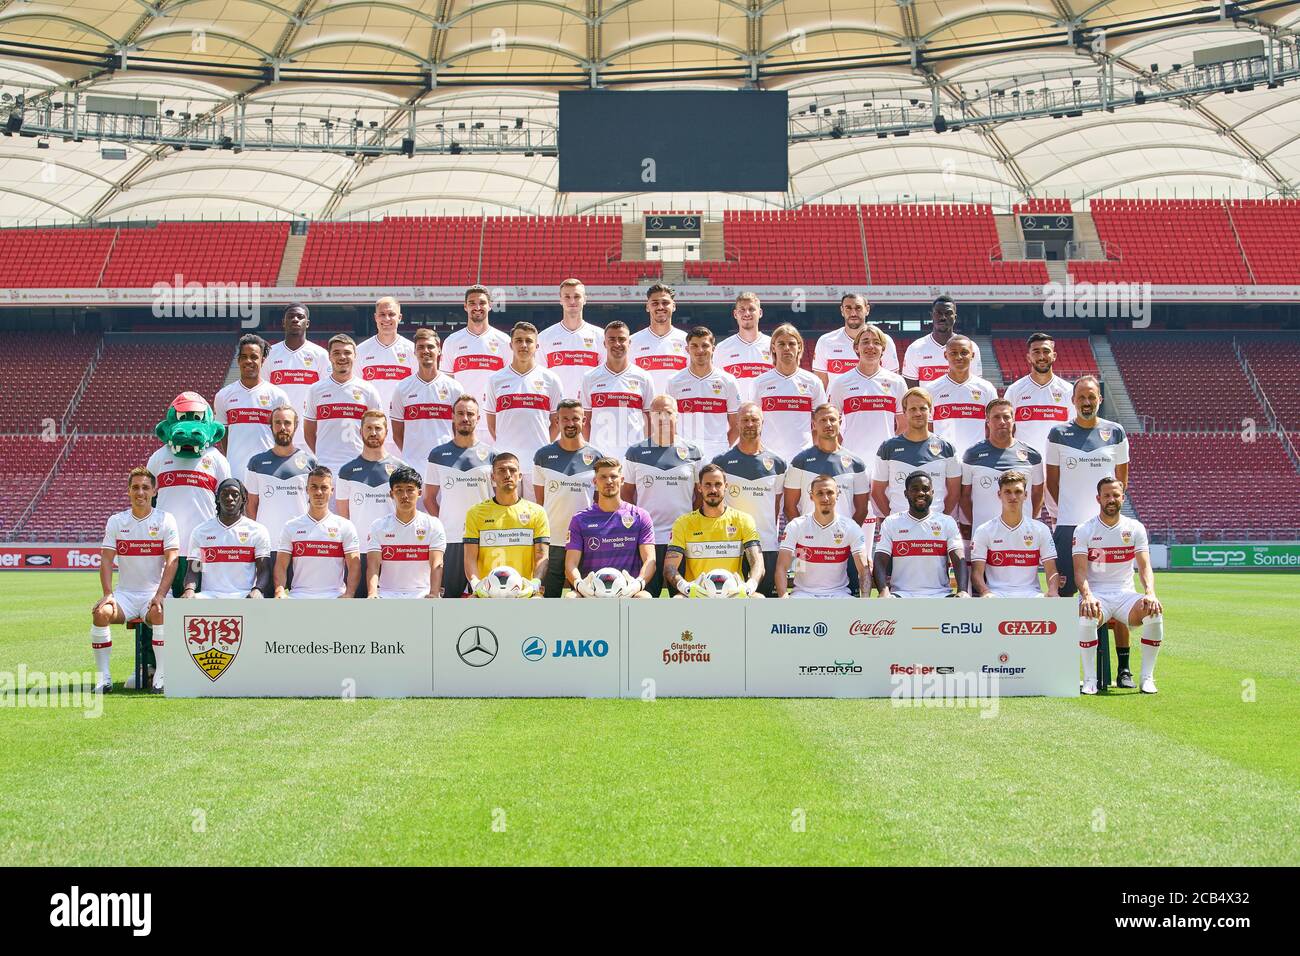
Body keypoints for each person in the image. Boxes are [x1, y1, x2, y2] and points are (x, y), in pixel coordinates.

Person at [1047, 375, 1133, 685]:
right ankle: (1061, 663)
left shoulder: (1116, 432)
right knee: (1068, 594)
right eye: (1081, 396)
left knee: (1117, 593)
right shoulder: (1058, 433)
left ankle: (1123, 669)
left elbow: (1119, 481)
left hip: (1106, 530)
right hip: (1070, 528)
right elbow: (1052, 483)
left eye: (1092, 396)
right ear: (1073, 400)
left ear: (1100, 399)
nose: (1086, 401)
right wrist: (1068, 516)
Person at [90, 467, 180, 692]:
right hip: (126, 595)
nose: (141, 492)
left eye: (145, 488)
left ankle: (162, 674)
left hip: (154, 593)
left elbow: (173, 561)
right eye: (136, 488)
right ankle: (104, 678)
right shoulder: (116, 521)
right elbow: (106, 560)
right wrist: (108, 594)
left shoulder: (166, 519)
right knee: (100, 614)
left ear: (154, 491)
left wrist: (159, 595)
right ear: (128, 491)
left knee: (159, 612)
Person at [1074, 478, 1164, 695]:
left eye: (1115, 495)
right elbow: (1079, 571)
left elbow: (1144, 567)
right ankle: (1089, 679)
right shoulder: (1084, 529)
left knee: (1154, 612)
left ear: (1123, 497)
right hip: (1096, 595)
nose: (1111, 500)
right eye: (1106, 496)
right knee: (1087, 616)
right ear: (1098, 499)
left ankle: (1147, 678)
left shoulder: (1135, 528)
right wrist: (1087, 596)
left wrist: (1150, 593)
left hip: (1125, 595)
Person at [147, 392, 231, 597]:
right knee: (159, 603)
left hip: (202, 546)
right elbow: (149, 499)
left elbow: (227, 502)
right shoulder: (159, 457)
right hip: (167, 547)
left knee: (200, 603)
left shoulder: (216, 459)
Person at [621, 395, 703, 598]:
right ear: (649, 416)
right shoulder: (635, 452)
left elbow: (699, 496)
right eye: (657, 413)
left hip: (682, 539)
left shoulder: (693, 452)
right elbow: (627, 494)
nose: (663, 418)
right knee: (646, 597)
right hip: (648, 539)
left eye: (668, 412)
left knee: (684, 597)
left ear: (677, 415)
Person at [423, 396, 495, 599]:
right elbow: (429, 498)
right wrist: (445, 523)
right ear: (452, 417)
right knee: (449, 599)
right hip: (451, 539)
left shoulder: (491, 455)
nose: (465, 418)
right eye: (461, 413)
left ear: (478, 418)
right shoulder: (438, 454)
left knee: (484, 597)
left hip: (484, 539)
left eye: (470, 414)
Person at [712, 402, 786, 597]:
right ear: (737, 423)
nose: (750, 424)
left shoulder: (777, 463)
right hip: (730, 547)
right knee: (726, 601)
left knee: (763, 604)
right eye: (745, 420)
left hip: (766, 545)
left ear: (763, 423)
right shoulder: (721, 462)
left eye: (754, 420)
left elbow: (776, 506)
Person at [534, 399, 604, 598]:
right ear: (557, 420)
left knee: (586, 596)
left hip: (586, 540)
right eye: (565, 419)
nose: (570, 423)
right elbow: (541, 501)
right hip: (553, 540)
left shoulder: (596, 456)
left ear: (584, 420)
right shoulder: (543, 455)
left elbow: (598, 502)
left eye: (575, 418)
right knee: (549, 597)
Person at [486, 321, 563, 501]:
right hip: (505, 463)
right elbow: (491, 423)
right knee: (505, 515)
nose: (523, 345)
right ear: (510, 344)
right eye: (518, 340)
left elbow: (557, 422)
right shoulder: (495, 379)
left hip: (537, 463)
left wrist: (542, 445)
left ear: (536, 346)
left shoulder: (550, 379)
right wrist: (506, 444)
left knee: (535, 515)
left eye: (528, 341)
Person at [245, 405, 316, 594]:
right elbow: (251, 505)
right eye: (278, 423)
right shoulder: (256, 462)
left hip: (300, 544)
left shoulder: (310, 462)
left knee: (300, 598)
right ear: (271, 426)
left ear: (295, 426)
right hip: (267, 546)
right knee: (266, 602)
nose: (282, 427)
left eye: (287, 423)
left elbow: (315, 504)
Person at [336, 411, 409, 595]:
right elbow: (343, 518)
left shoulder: (401, 469)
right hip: (358, 554)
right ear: (361, 431)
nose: (373, 432)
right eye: (369, 428)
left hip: (394, 552)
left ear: (386, 431)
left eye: (378, 428)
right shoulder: (347, 471)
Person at [663, 464, 764, 598]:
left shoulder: (743, 520)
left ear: (726, 486)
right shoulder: (683, 522)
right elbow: (670, 567)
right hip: (698, 593)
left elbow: (758, 564)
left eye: (718, 484)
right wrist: (686, 587)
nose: (713, 489)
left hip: (734, 593)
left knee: (759, 599)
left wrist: (748, 587)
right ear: (699, 487)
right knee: (677, 600)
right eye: (707, 485)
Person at [564, 458, 656, 598]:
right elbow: (571, 563)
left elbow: (650, 560)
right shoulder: (580, 519)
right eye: (603, 477)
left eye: (613, 476)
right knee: (570, 598)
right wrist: (580, 585)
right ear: (595, 481)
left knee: (644, 598)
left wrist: (637, 584)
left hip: (627, 590)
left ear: (622, 479)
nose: (609, 481)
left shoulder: (640, 516)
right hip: (592, 591)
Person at [463, 453, 551, 597]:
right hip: (488, 591)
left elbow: (541, 556)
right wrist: (476, 584)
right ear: (492, 477)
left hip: (523, 592)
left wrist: (535, 584)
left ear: (520, 475)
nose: (508, 475)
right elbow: (470, 558)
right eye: (501, 470)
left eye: (512, 470)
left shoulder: (537, 512)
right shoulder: (475, 512)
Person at [873, 472, 968, 599]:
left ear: (932, 492)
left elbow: (958, 560)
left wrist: (962, 591)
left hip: (940, 595)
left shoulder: (946, 522)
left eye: (925, 489)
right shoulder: (891, 522)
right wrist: (884, 591)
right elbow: (879, 560)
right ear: (906, 494)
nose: (921, 493)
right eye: (915, 489)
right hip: (901, 595)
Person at [775, 476, 870, 599]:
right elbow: (781, 567)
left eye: (830, 493)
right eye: (820, 493)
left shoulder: (850, 527)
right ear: (811, 496)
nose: (825, 498)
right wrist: (783, 599)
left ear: (837, 494)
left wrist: (866, 601)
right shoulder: (797, 525)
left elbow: (864, 569)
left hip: (839, 594)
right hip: (803, 594)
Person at [871, 388, 961, 518]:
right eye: (913, 409)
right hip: (899, 526)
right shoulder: (888, 448)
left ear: (930, 411)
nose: (918, 413)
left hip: (935, 526)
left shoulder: (947, 448)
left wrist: (941, 519)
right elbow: (877, 492)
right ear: (904, 413)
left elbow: (954, 492)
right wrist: (892, 519)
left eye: (923, 408)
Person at [961, 399, 1044, 540]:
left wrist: (1028, 518)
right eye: (996, 417)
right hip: (985, 538)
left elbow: (1038, 493)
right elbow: (964, 497)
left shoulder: (1032, 455)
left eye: (1006, 417)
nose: (1002, 421)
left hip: (1022, 536)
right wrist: (979, 523)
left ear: (1014, 420)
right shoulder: (972, 455)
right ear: (987, 421)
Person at [274, 466, 361, 599]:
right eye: (314, 487)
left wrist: (349, 593)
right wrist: (279, 591)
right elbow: (281, 565)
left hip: (335, 596)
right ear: (307, 490)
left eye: (324, 487)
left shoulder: (345, 526)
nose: (319, 492)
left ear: (332, 491)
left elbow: (354, 565)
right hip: (299, 596)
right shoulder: (291, 526)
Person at [303, 334, 383, 477]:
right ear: (329, 356)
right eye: (336, 353)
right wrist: (322, 454)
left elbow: (379, 429)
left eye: (347, 353)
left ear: (355, 356)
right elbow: (309, 431)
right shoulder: (315, 390)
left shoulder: (368, 390)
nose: (342, 357)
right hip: (325, 468)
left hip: (360, 466)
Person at [214, 333, 290, 483]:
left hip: (269, 473)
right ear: (238, 360)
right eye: (244, 357)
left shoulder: (278, 396)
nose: (249, 361)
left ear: (262, 360)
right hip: (236, 472)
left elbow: (284, 435)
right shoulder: (223, 396)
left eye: (254, 357)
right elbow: (224, 435)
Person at [827, 322, 906, 466]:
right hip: (851, 461)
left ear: (883, 349)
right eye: (865, 342)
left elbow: (904, 424)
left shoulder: (897, 382)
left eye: (876, 342)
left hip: (886, 460)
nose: (871, 346)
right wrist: (843, 449)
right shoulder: (841, 382)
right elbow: (830, 424)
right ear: (856, 348)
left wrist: (892, 448)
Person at [970, 471, 1059, 598]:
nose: (1013, 497)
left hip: (1032, 595)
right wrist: (985, 592)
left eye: (1018, 492)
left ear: (1025, 495)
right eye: (1007, 492)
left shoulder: (1040, 529)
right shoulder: (984, 530)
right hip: (996, 595)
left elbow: (1051, 571)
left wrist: (1053, 591)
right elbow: (976, 574)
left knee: (1066, 610)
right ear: (999, 494)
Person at [389, 328, 464, 474]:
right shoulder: (402, 387)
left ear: (439, 350)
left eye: (430, 346)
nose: (426, 351)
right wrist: (412, 454)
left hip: (445, 466)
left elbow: (459, 429)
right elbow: (397, 433)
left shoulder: (454, 388)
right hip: (412, 467)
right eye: (421, 347)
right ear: (415, 352)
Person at [440, 285, 511, 440]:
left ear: (490, 306)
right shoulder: (452, 341)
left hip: (496, 422)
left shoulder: (504, 341)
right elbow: (446, 386)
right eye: (472, 303)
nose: (477, 307)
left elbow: (510, 383)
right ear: (465, 307)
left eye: (482, 303)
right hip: (463, 423)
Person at [182, 478, 272, 599]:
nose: (229, 498)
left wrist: (257, 589)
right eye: (224, 494)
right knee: (186, 602)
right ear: (218, 498)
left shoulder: (257, 530)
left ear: (243, 499)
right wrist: (189, 589)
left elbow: (264, 570)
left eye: (235, 495)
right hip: (209, 596)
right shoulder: (201, 531)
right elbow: (193, 570)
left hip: (244, 596)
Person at [365, 465, 446, 599]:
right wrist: (372, 593)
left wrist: (434, 593)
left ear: (419, 493)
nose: (404, 496)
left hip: (422, 593)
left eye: (410, 490)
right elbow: (373, 565)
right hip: (386, 593)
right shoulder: (378, 526)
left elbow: (437, 563)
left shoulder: (433, 524)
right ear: (391, 494)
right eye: (399, 490)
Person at [751, 323, 827, 464]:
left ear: (799, 347)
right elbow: (754, 423)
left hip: (803, 458)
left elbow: (821, 422)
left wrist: (813, 452)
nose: (787, 348)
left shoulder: (813, 381)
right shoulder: (760, 382)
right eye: (781, 344)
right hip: (768, 458)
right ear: (773, 347)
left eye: (791, 344)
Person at [580, 320, 655, 457]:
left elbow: (650, 419)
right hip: (600, 458)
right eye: (612, 339)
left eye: (622, 339)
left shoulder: (644, 377)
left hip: (634, 457)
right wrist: (589, 452)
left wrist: (647, 452)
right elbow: (586, 421)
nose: (617, 344)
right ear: (604, 343)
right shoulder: (590, 377)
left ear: (629, 343)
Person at [667, 326, 741, 462]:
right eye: (694, 346)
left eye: (705, 345)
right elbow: (669, 423)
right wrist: (680, 448)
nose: (700, 350)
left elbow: (736, 425)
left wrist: (722, 449)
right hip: (684, 454)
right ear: (687, 349)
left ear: (713, 348)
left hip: (717, 454)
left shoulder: (728, 380)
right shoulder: (674, 381)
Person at [921, 334, 996, 462]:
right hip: (942, 460)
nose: (959, 357)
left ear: (972, 355)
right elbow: (927, 429)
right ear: (946, 355)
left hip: (977, 461)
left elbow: (993, 428)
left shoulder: (986, 389)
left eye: (964, 352)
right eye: (954, 353)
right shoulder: (931, 389)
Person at [356, 296, 415, 457]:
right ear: (375, 317)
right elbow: (356, 393)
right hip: (371, 433)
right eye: (382, 314)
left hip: (404, 432)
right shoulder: (361, 351)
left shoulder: (412, 350)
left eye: (391, 314)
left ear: (400, 317)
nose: (387, 319)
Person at [1001, 331, 1073, 463]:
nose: (1041, 356)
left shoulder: (1068, 390)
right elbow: (1006, 430)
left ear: (1054, 355)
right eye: (1036, 352)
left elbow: (1074, 430)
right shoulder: (1015, 390)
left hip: (1059, 464)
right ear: (1029, 357)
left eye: (1046, 351)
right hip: (1024, 463)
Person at [265, 303, 329, 445]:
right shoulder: (270, 353)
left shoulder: (320, 355)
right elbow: (263, 393)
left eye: (300, 317)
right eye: (291, 316)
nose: (295, 319)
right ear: (283, 322)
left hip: (311, 435)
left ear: (307, 323)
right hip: (277, 435)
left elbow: (328, 393)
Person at [813, 292, 899, 388]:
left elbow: (893, 382)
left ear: (867, 309)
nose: (853, 313)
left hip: (873, 401)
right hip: (836, 403)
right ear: (842, 310)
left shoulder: (884, 341)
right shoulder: (825, 341)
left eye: (858, 308)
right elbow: (821, 385)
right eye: (848, 308)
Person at [539, 278, 606, 398]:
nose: (572, 301)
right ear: (560, 300)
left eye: (577, 296)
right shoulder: (544, 337)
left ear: (585, 299)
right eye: (567, 297)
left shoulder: (600, 336)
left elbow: (605, 376)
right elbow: (540, 378)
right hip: (557, 409)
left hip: (590, 408)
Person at [901, 295, 983, 388]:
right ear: (932, 316)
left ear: (955, 317)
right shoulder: (915, 348)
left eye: (948, 313)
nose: (943, 317)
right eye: (938, 313)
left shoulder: (970, 347)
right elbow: (912, 391)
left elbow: (976, 384)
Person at [715, 291, 773, 403]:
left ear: (760, 313)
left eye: (751, 309)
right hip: (735, 417)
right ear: (735, 314)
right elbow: (717, 386)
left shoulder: (773, 346)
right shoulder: (722, 348)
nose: (747, 313)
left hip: (767, 417)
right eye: (742, 310)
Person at [630, 283, 688, 392]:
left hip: (676, 408)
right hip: (645, 408)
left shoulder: (686, 341)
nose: (660, 307)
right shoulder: (632, 341)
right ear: (647, 307)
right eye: (655, 303)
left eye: (665, 303)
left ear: (674, 306)